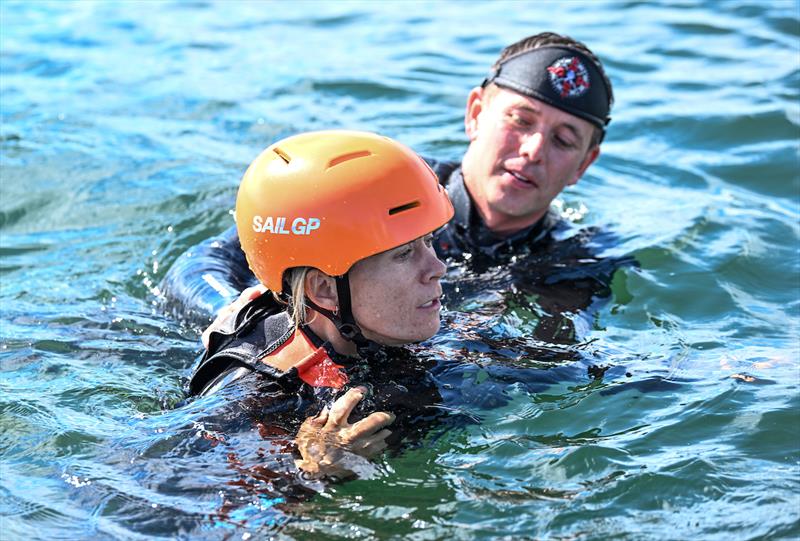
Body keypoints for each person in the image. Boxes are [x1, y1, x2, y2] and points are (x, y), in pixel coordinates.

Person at [160, 32, 620, 333]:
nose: (534, 150)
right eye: (520, 120)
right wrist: (251, 322)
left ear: (584, 164)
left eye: (563, 140)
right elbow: (202, 266)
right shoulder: (385, 187)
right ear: (476, 114)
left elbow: (541, 373)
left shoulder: (574, 263)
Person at [189, 130, 455, 480]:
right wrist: (310, 473)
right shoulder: (259, 398)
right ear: (325, 289)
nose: (438, 268)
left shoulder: (389, 326)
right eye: (404, 254)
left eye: (429, 241)